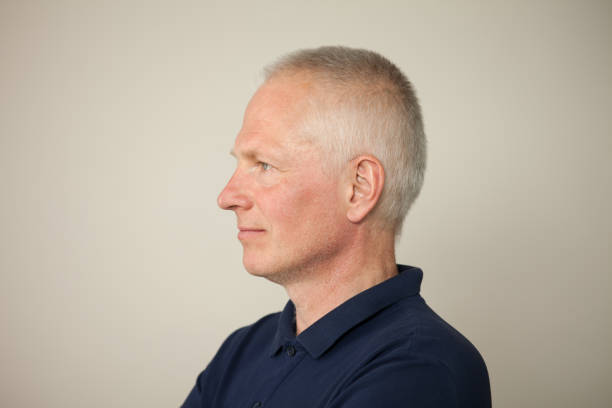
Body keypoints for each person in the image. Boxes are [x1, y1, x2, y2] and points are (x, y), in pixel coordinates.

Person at [182, 46, 491, 408]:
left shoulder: (419, 370)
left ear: (359, 188)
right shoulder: (241, 351)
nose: (227, 197)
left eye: (264, 165)